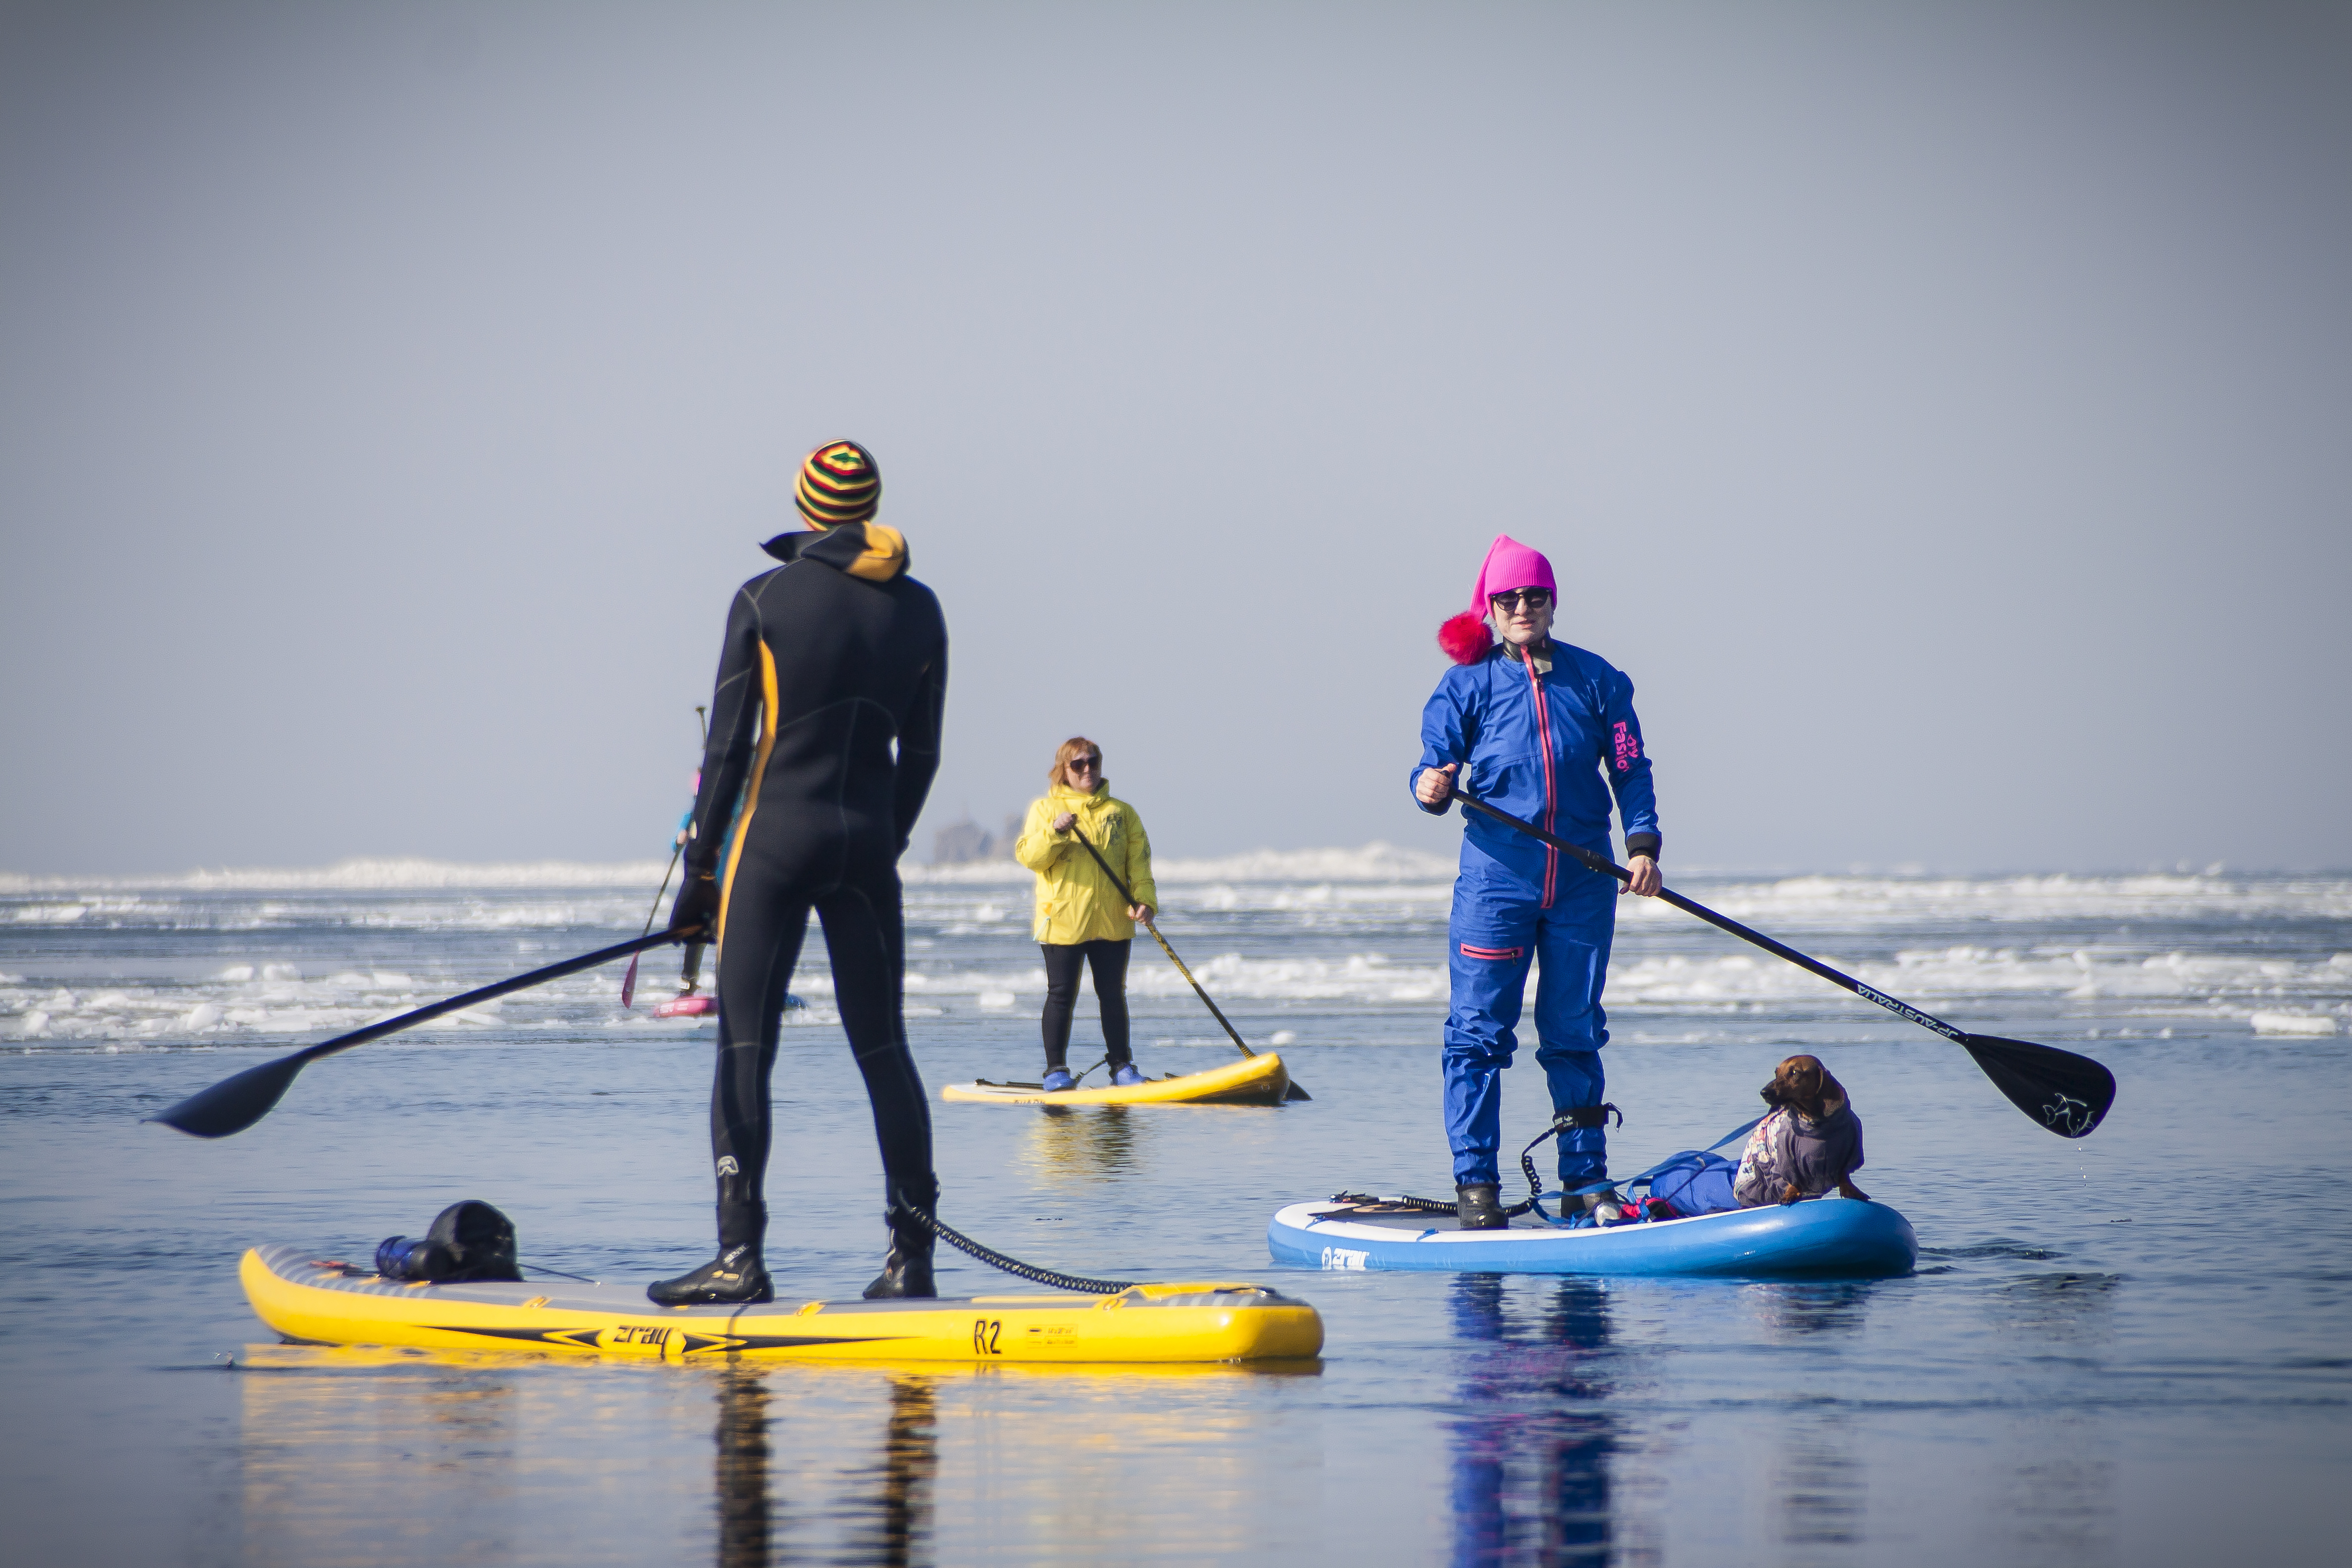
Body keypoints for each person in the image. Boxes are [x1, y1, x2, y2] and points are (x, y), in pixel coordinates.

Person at [653, 440, 948, 1306]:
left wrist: (699, 874)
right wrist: (881, 842)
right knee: (884, 1048)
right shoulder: (924, 609)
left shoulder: (763, 597)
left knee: (746, 1046)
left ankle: (738, 1256)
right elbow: (923, 756)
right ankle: (911, 1257)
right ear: (870, 505)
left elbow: (727, 750)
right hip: (868, 842)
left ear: (805, 504)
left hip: (774, 841)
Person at [1411, 534, 1663, 1229]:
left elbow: (1631, 767)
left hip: (1583, 881)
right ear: (1490, 608)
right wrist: (1431, 786)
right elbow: (1431, 770)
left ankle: (1586, 1182)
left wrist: (1642, 843)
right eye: (1510, 598)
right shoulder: (1466, 684)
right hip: (1498, 885)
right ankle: (1477, 1185)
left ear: (1553, 603)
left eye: (1536, 596)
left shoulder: (1599, 679)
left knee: (1574, 1032)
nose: (1524, 607)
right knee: (1477, 1037)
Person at [1012, 738, 1158, 1092]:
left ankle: (1122, 1068)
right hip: (1063, 921)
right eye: (1077, 765)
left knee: (1113, 995)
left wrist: (1145, 901)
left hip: (1112, 920)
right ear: (1064, 770)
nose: (1087, 770)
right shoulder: (1045, 809)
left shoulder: (1122, 813)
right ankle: (1055, 1072)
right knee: (1061, 994)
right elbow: (1030, 857)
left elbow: (1138, 864)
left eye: (1093, 762)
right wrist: (1056, 832)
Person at [1732, 1054, 1869, 1207]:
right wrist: (1793, 1187)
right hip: (1764, 1180)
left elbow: (1847, 1153)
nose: (1770, 1088)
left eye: (1794, 1074)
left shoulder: (1848, 1124)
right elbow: (1785, 1163)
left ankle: (1845, 1185)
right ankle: (1793, 1189)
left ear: (1820, 1080)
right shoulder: (1785, 1129)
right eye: (1779, 1075)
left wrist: (1844, 1179)